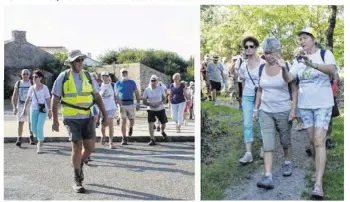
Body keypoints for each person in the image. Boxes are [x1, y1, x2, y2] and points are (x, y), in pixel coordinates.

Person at [281, 27, 336, 199]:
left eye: (305, 38)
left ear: (313, 38)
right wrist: (284, 68)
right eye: (300, 39)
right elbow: (290, 79)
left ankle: (318, 183)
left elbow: (331, 71)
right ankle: (317, 168)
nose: (302, 41)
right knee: (312, 141)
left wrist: (310, 63)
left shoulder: (324, 54)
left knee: (319, 141)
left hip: (323, 104)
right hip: (305, 105)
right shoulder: (298, 60)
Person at [51, 50, 109, 193]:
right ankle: (77, 179)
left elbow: (96, 96)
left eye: (81, 60)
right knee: (76, 146)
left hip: (88, 116)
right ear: (71, 63)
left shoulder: (88, 76)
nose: (80, 63)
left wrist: (105, 114)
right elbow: (55, 99)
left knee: (90, 148)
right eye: (77, 60)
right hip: (71, 118)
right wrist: (55, 120)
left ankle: (77, 163)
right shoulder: (63, 77)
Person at [254, 37, 297, 190]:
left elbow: (293, 89)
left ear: (277, 51)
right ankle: (268, 176)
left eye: (270, 52)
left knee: (285, 141)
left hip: (283, 110)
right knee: (267, 143)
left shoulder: (287, 66)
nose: (267, 56)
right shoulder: (261, 68)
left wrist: (293, 109)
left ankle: (287, 162)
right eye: (265, 53)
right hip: (265, 111)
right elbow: (260, 90)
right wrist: (255, 109)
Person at [238, 36, 265, 164]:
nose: (248, 49)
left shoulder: (263, 64)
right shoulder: (243, 65)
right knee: (247, 124)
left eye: (251, 46)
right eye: (246, 47)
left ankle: (264, 147)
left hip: (261, 96)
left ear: (256, 48)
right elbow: (242, 81)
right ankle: (248, 153)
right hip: (248, 97)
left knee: (260, 122)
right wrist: (243, 97)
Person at [21, 69, 52, 153]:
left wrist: (50, 110)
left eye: (36, 77)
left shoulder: (44, 87)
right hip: (34, 109)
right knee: (33, 129)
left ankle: (39, 144)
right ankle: (41, 138)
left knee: (39, 127)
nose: (34, 78)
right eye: (33, 77)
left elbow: (48, 99)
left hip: (43, 109)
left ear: (40, 78)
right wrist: (24, 108)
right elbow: (28, 98)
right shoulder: (31, 88)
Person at [114, 68, 141, 145]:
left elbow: (137, 93)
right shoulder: (117, 83)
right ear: (120, 74)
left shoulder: (132, 82)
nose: (124, 73)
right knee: (123, 121)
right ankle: (124, 138)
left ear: (127, 73)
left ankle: (131, 127)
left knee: (131, 120)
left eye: (125, 72)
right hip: (122, 104)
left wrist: (138, 104)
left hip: (131, 104)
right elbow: (116, 95)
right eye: (123, 72)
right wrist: (119, 104)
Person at [143, 75, 168, 145]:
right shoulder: (147, 90)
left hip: (160, 108)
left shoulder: (160, 88)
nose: (153, 82)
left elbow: (164, 98)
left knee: (163, 123)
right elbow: (144, 101)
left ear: (157, 81)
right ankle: (152, 139)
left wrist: (160, 103)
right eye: (152, 80)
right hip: (151, 109)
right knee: (150, 124)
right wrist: (150, 104)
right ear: (150, 81)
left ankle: (162, 131)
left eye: (154, 80)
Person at [12, 69, 35, 146]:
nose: (25, 75)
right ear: (21, 75)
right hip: (21, 104)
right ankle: (19, 138)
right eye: (24, 74)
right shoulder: (18, 83)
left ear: (29, 75)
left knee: (31, 122)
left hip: (30, 104)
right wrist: (14, 107)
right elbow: (14, 95)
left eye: (27, 74)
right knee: (20, 122)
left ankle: (31, 137)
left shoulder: (32, 82)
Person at [99, 71, 117, 149]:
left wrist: (120, 104)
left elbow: (116, 96)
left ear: (108, 77)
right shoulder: (99, 86)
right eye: (103, 76)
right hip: (102, 108)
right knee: (102, 125)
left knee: (110, 125)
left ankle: (111, 142)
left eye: (106, 76)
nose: (104, 77)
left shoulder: (113, 85)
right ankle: (103, 136)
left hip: (111, 107)